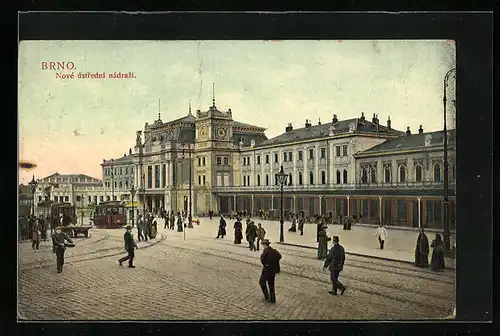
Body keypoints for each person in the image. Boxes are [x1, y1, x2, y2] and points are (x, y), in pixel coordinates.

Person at [259, 239, 282, 303]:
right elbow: (279, 256)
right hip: (273, 271)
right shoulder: (274, 250)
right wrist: (273, 263)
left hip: (267, 270)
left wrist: (267, 264)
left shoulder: (266, 251)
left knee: (262, 282)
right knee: (271, 284)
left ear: (264, 245)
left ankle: (267, 296)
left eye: (263, 245)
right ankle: (273, 299)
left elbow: (262, 259)